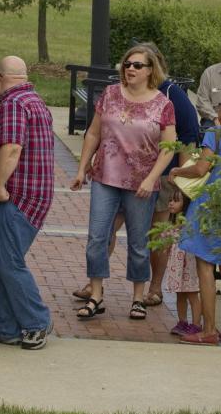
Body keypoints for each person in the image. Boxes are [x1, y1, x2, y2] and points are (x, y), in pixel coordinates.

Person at [72, 43, 201, 306]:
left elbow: (180, 141)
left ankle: (145, 293)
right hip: (106, 177)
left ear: (152, 69)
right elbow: (94, 132)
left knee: (145, 239)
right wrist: (82, 166)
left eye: (137, 65)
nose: (130, 68)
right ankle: (95, 290)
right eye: (127, 64)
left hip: (149, 180)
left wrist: (170, 177)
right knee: (99, 234)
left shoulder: (168, 100)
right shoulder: (110, 94)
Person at [0, 56, 55, 351]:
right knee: (1, 262)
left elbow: (13, 147)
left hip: (18, 198)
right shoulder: (32, 100)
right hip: (28, 196)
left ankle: (36, 322)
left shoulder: (14, 105)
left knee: (8, 263)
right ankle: (5, 327)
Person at [173, 88, 221, 346]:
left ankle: (208, 329)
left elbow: (201, 168)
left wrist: (176, 171)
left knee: (205, 264)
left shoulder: (214, 134)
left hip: (211, 205)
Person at [158, 186, 201, 337]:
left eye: (176, 201)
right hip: (176, 266)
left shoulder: (188, 224)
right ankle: (182, 321)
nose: (171, 203)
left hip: (188, 266)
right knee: (180, 294)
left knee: (192, 294)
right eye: (170, 200)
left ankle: (196, 324)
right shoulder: (171, 224)